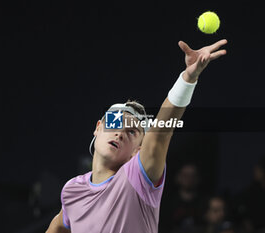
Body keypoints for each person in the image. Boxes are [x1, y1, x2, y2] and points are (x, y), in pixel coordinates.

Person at [45, 39, 228, 233]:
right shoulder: (73, 190)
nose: (120, 133)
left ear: (138, 150)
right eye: (114, 122)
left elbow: (159, 134)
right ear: (98, 128)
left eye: (132, 132)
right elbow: (58, 226)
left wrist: (187, 78)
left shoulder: (137, 177)